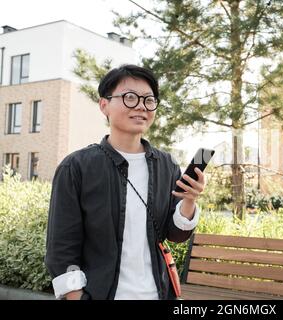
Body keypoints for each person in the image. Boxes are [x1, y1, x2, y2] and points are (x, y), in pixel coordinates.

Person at [45, 65, 205, 300]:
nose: (141, 106)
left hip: (157, 294)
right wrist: (76, 296)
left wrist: (189, 200)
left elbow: (175, 235)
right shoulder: (77, 167)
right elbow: (61, 248)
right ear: (104, 105)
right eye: (130, 98)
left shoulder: (166, 165)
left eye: (149, 100)